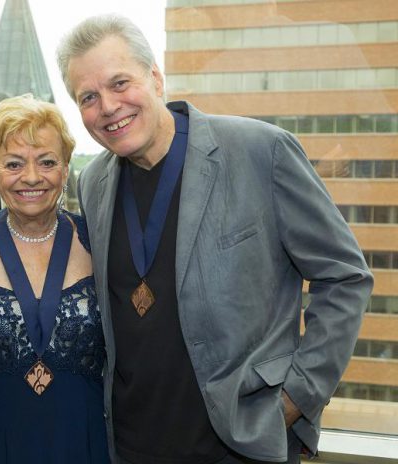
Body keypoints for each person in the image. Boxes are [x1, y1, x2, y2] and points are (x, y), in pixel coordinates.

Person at [56, 14, 373, 464]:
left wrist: (295, 400)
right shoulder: (93, 183)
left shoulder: (262, 152)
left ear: (156, 78)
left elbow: (345, 278)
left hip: (239, 444)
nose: (108, 106)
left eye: (119, 83)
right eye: (88, 97)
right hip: (132, 444)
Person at [0, 94, 109, 463]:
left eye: (47, 162)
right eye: (14, 163)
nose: (33, 177)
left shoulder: (100, 242)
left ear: (66, 168)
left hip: (83, 442)